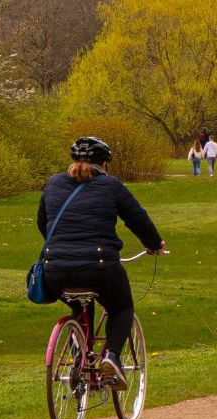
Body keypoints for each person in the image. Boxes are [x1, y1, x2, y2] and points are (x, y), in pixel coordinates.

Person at [39, 137, 166, 389]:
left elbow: (43, 224)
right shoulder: (111, 185)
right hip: (99, 267)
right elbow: (137, 219)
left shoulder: (53, 183)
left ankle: (79, 359)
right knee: (121, 307)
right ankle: (112, 356)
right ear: (104, 164)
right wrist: (155, 244)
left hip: (54, 270)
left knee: (78, 307)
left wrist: (64, 248)